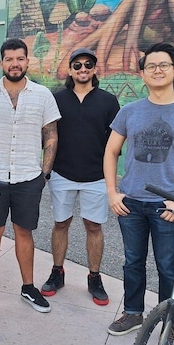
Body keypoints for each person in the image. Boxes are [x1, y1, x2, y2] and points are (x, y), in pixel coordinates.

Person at [103, 42, 174, 342]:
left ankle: (169, 321)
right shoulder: (129, 111)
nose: (157, 70)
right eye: (151, 66)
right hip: (131, 203)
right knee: (132, 262)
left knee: (167, 266)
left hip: (168, 206)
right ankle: (133, 313)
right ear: (143, 74)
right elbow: (111, 151)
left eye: (164, 65)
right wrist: (112, 192)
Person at [0, 37, 60, 313]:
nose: (14, 64)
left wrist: (44, 173)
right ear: (1, 63)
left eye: (19, 58)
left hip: (28, 177)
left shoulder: (43, 95)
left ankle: (28, 287)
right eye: (9, 59)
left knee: (24, 233)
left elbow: (51, 135)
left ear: (27, 61)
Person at [40, 48, 119, 305]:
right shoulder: (56, 99)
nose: (83, 69)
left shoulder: (109, 101)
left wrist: (111, 181)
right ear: (70, 70)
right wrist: (45, 169)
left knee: (93, 226)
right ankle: (57, 272)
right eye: (77, 65)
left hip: (96, 176)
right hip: (62, 173)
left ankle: (94, 277)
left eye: (88, 64)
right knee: (61, 223)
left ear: (95, 69)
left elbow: (114, 145)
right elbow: (47, 135)